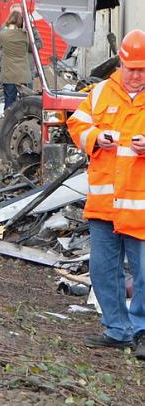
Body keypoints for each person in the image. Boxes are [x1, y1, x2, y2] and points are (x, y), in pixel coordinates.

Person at [66, 29, 145, 358]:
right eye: (132, 69)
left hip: (140, 206)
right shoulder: (100, 93)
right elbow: (77, 124)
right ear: (121, 63)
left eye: (143, 69)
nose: (137, 76)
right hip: (103, 204)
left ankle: (140, 331)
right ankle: (118, 329)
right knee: (103, 270)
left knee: (144, 275)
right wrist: (96, 137)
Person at [0, 7, 32, 110]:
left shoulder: (3, 34)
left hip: (9, 72)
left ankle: (8, 121)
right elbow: (30, 48)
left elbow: (0, 46)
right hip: (22, 73)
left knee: (9, 99)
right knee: (24, 101)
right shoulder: (25, 35)